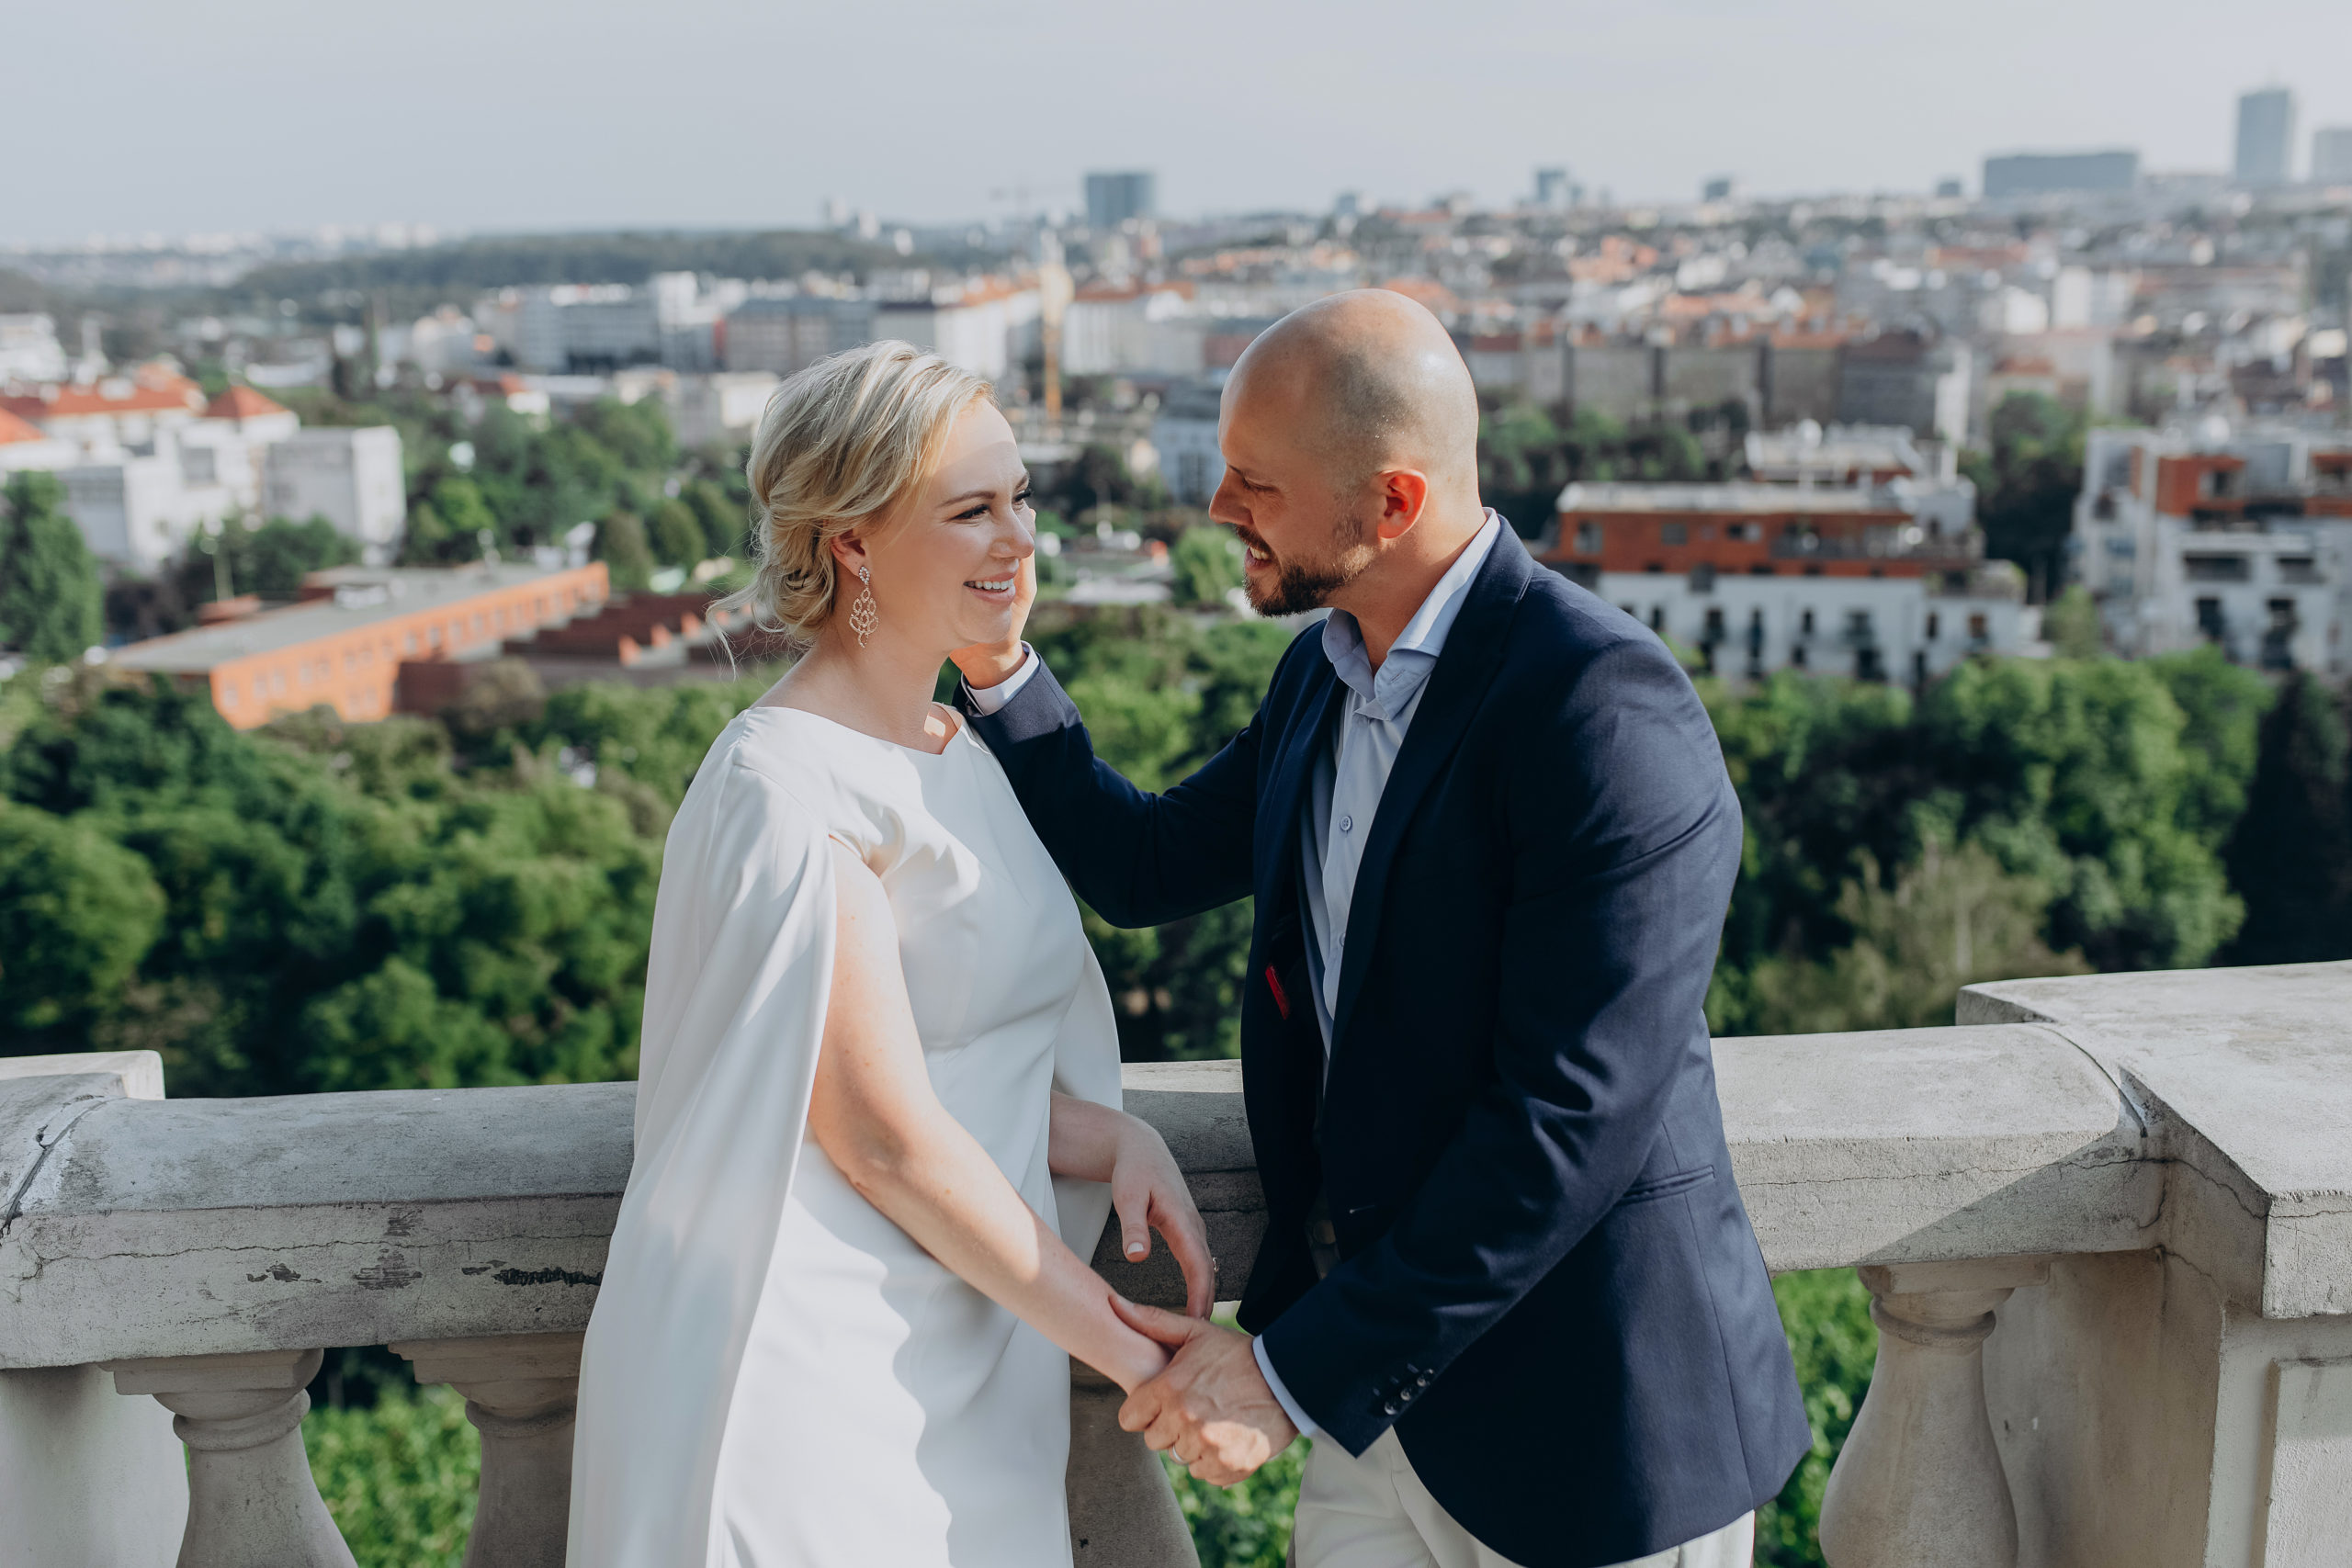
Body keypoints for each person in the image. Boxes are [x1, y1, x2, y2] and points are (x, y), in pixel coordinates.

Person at [952, 290, 1810, 1568]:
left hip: (1591, 1430)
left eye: (1256, 483)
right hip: (1375, 1416)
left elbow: (1567, 1124)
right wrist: (997, 667)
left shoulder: (1603, 714)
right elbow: (1142, 865)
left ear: (1392, 504)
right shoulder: (1322, 670)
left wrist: (1293, 1376)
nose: (1220, 510)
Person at [567, 341, 1214, 1567]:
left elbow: (944, 1058)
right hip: (814, 1384)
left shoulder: (952, 742)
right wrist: (1143, 1357)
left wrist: (1112, 1133)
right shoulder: (786, 787)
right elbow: (876, 1132)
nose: (1018, 538)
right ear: (852, 539)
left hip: (967, 1362)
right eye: (971, 510)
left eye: (1021, 499)